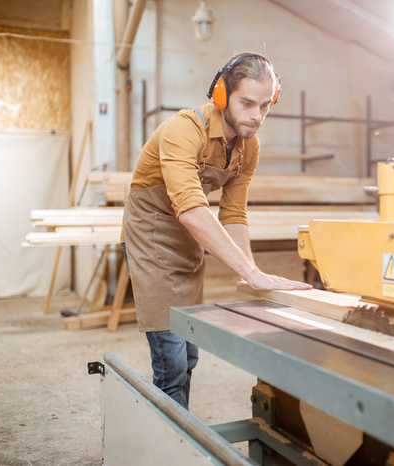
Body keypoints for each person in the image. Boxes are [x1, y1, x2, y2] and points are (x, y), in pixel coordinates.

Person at [121, 52, 312, 410]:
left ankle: (178, 427)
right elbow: (192, 209)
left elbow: (234, 213)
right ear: (221, 94)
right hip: (152, 236)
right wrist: (250, 272)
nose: (256, 116)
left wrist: (253, 275)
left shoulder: (247, 147)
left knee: (189, 346)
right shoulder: (182, 130)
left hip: (190, 236)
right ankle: (168, 445)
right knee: (171, 357)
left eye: (265, 106)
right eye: (247, 103)